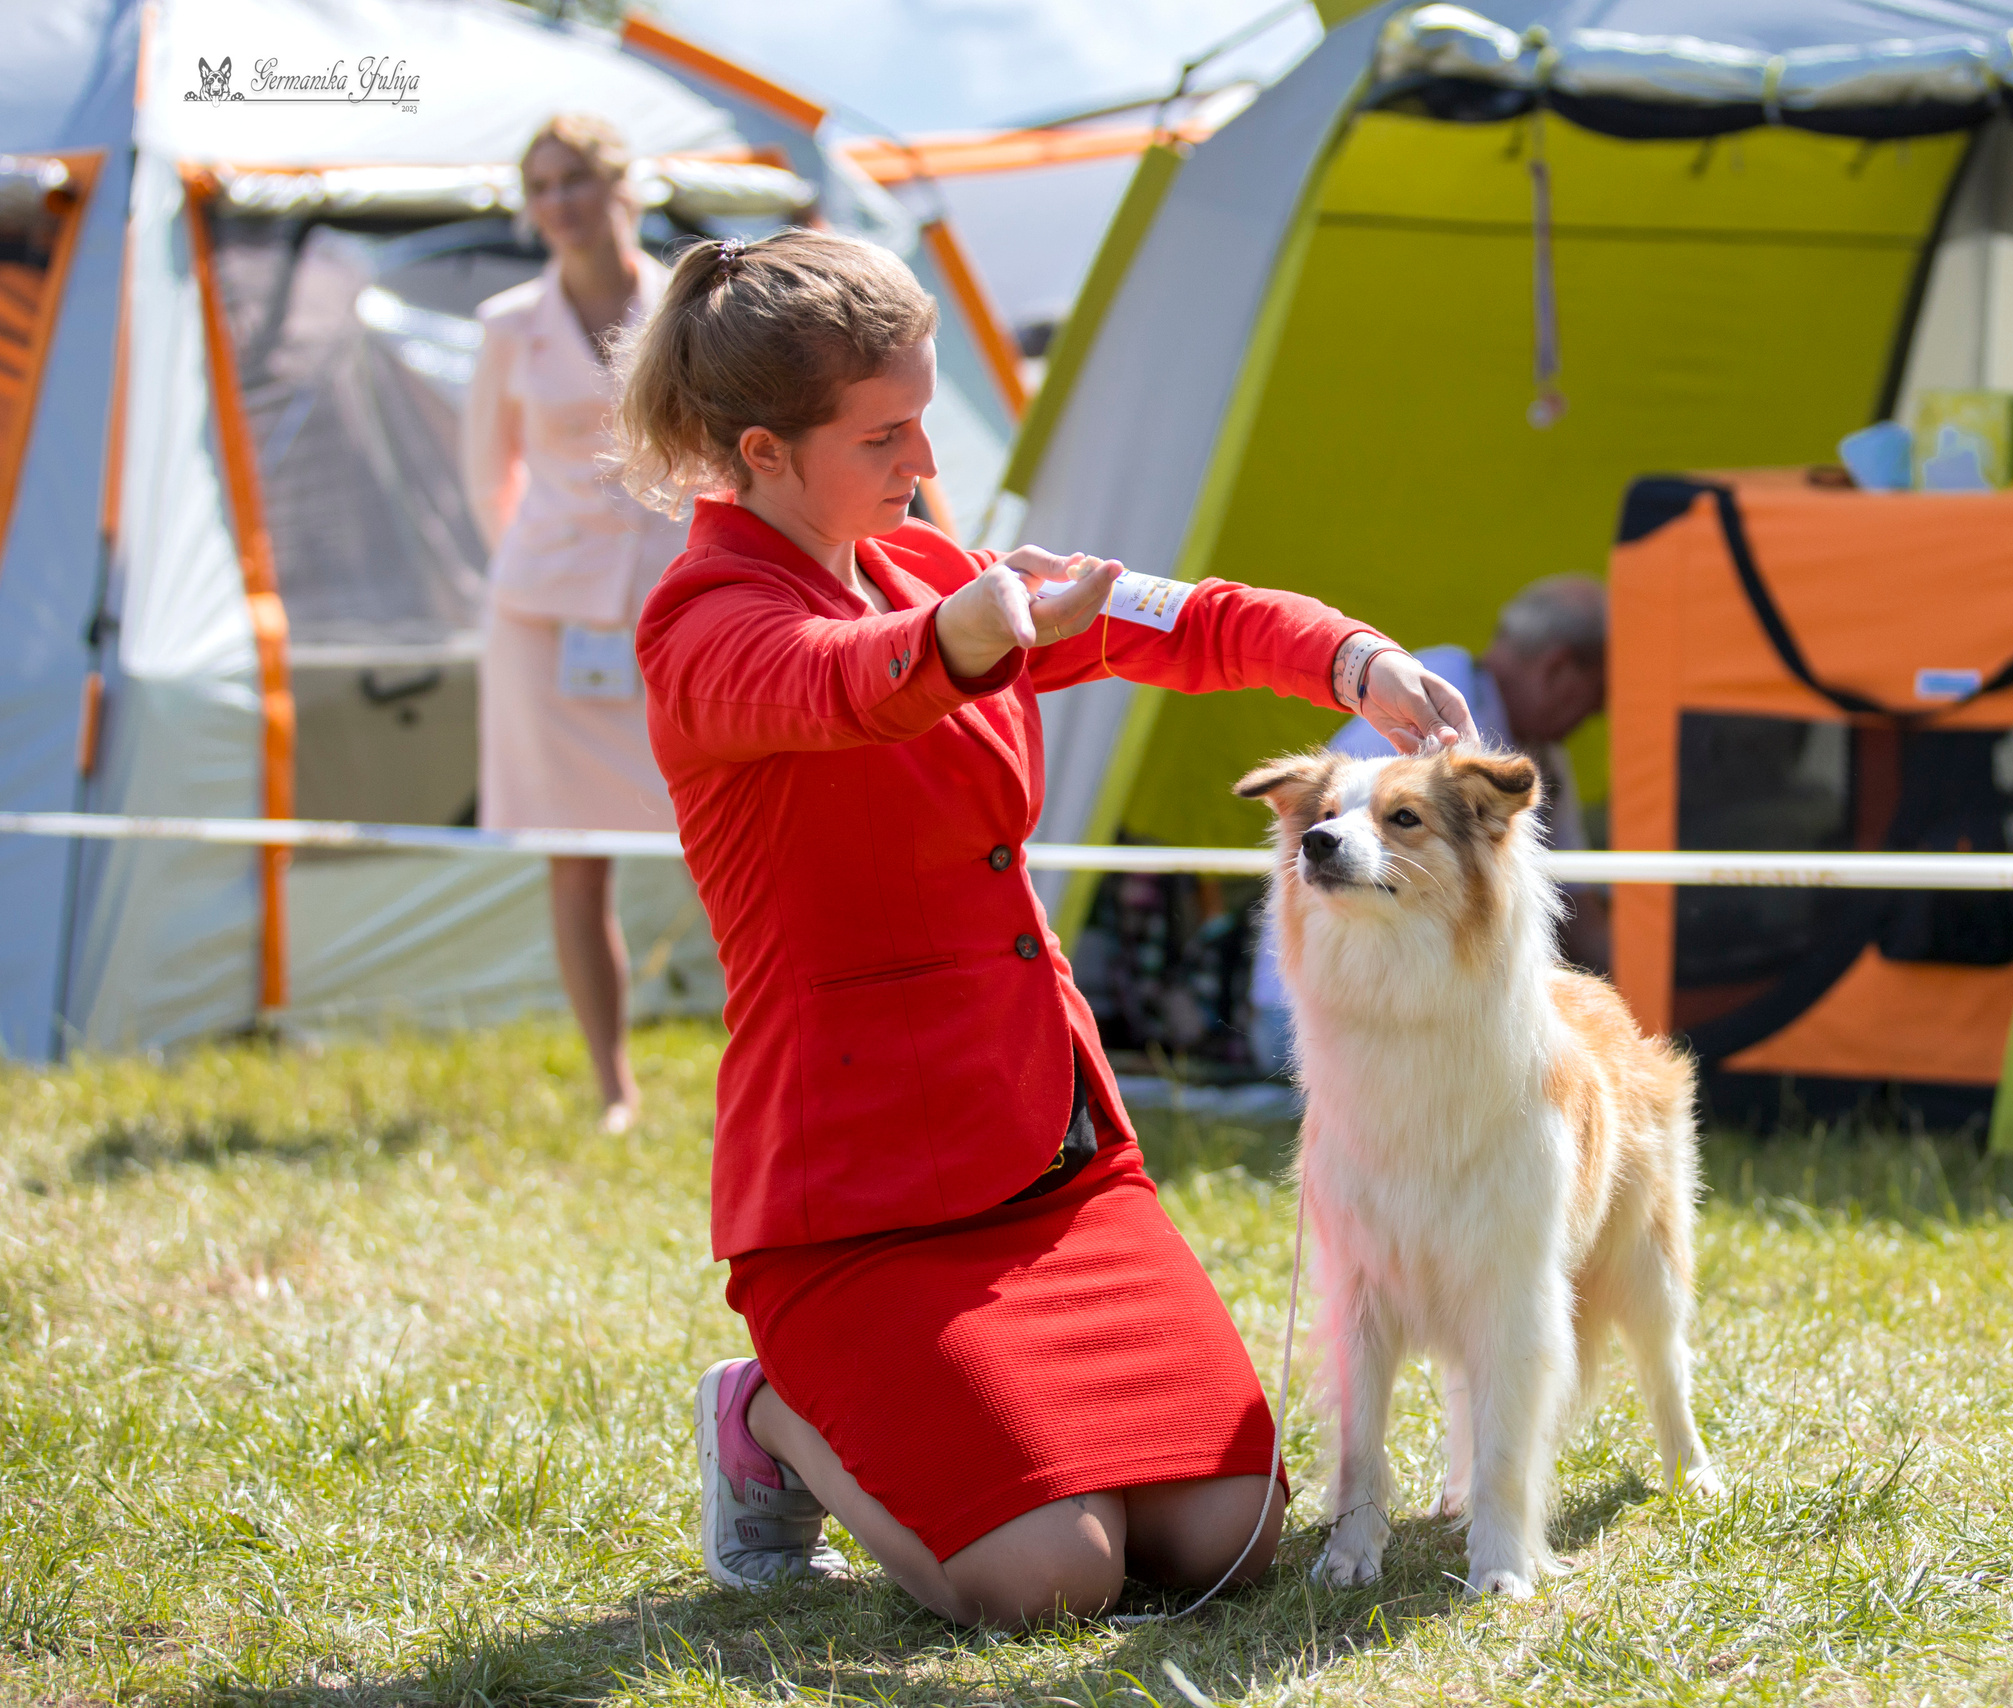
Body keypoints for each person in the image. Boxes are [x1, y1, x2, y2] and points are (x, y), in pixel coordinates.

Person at [615, 229, 1477, 1629]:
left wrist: (1349, 657)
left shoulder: (926, 569)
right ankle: (768, 1415)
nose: (920, 459)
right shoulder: (705, 626)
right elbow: (840, 686)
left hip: (1048, 1152)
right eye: (883, 433)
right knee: (1049, 1582)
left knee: (1235, 1533)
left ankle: (968, 1436)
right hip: (861, 1198)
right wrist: (972, 633)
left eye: (924, 415)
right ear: (763, 451)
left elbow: (1176, 618)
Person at [464, 115, 686, 1134]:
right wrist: (552, 563)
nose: (557, 201)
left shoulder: (684, 303)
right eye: (540, 183)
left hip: (672, 610)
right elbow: (487, 480)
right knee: (574, 854)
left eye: (574, 180)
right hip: (545, 622)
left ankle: (780, 1059)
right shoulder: (508, 324)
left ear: (619, 184)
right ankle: (614, 1090)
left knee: (737, 830)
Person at [1247, 575, 1610, 1073]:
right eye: (1594, 701)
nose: (1588, 721)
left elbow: (1579, 901)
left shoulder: (1542, 755)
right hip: (1324, 1013)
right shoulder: (1430, 701)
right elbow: (1335, 844)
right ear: (1558, 670)